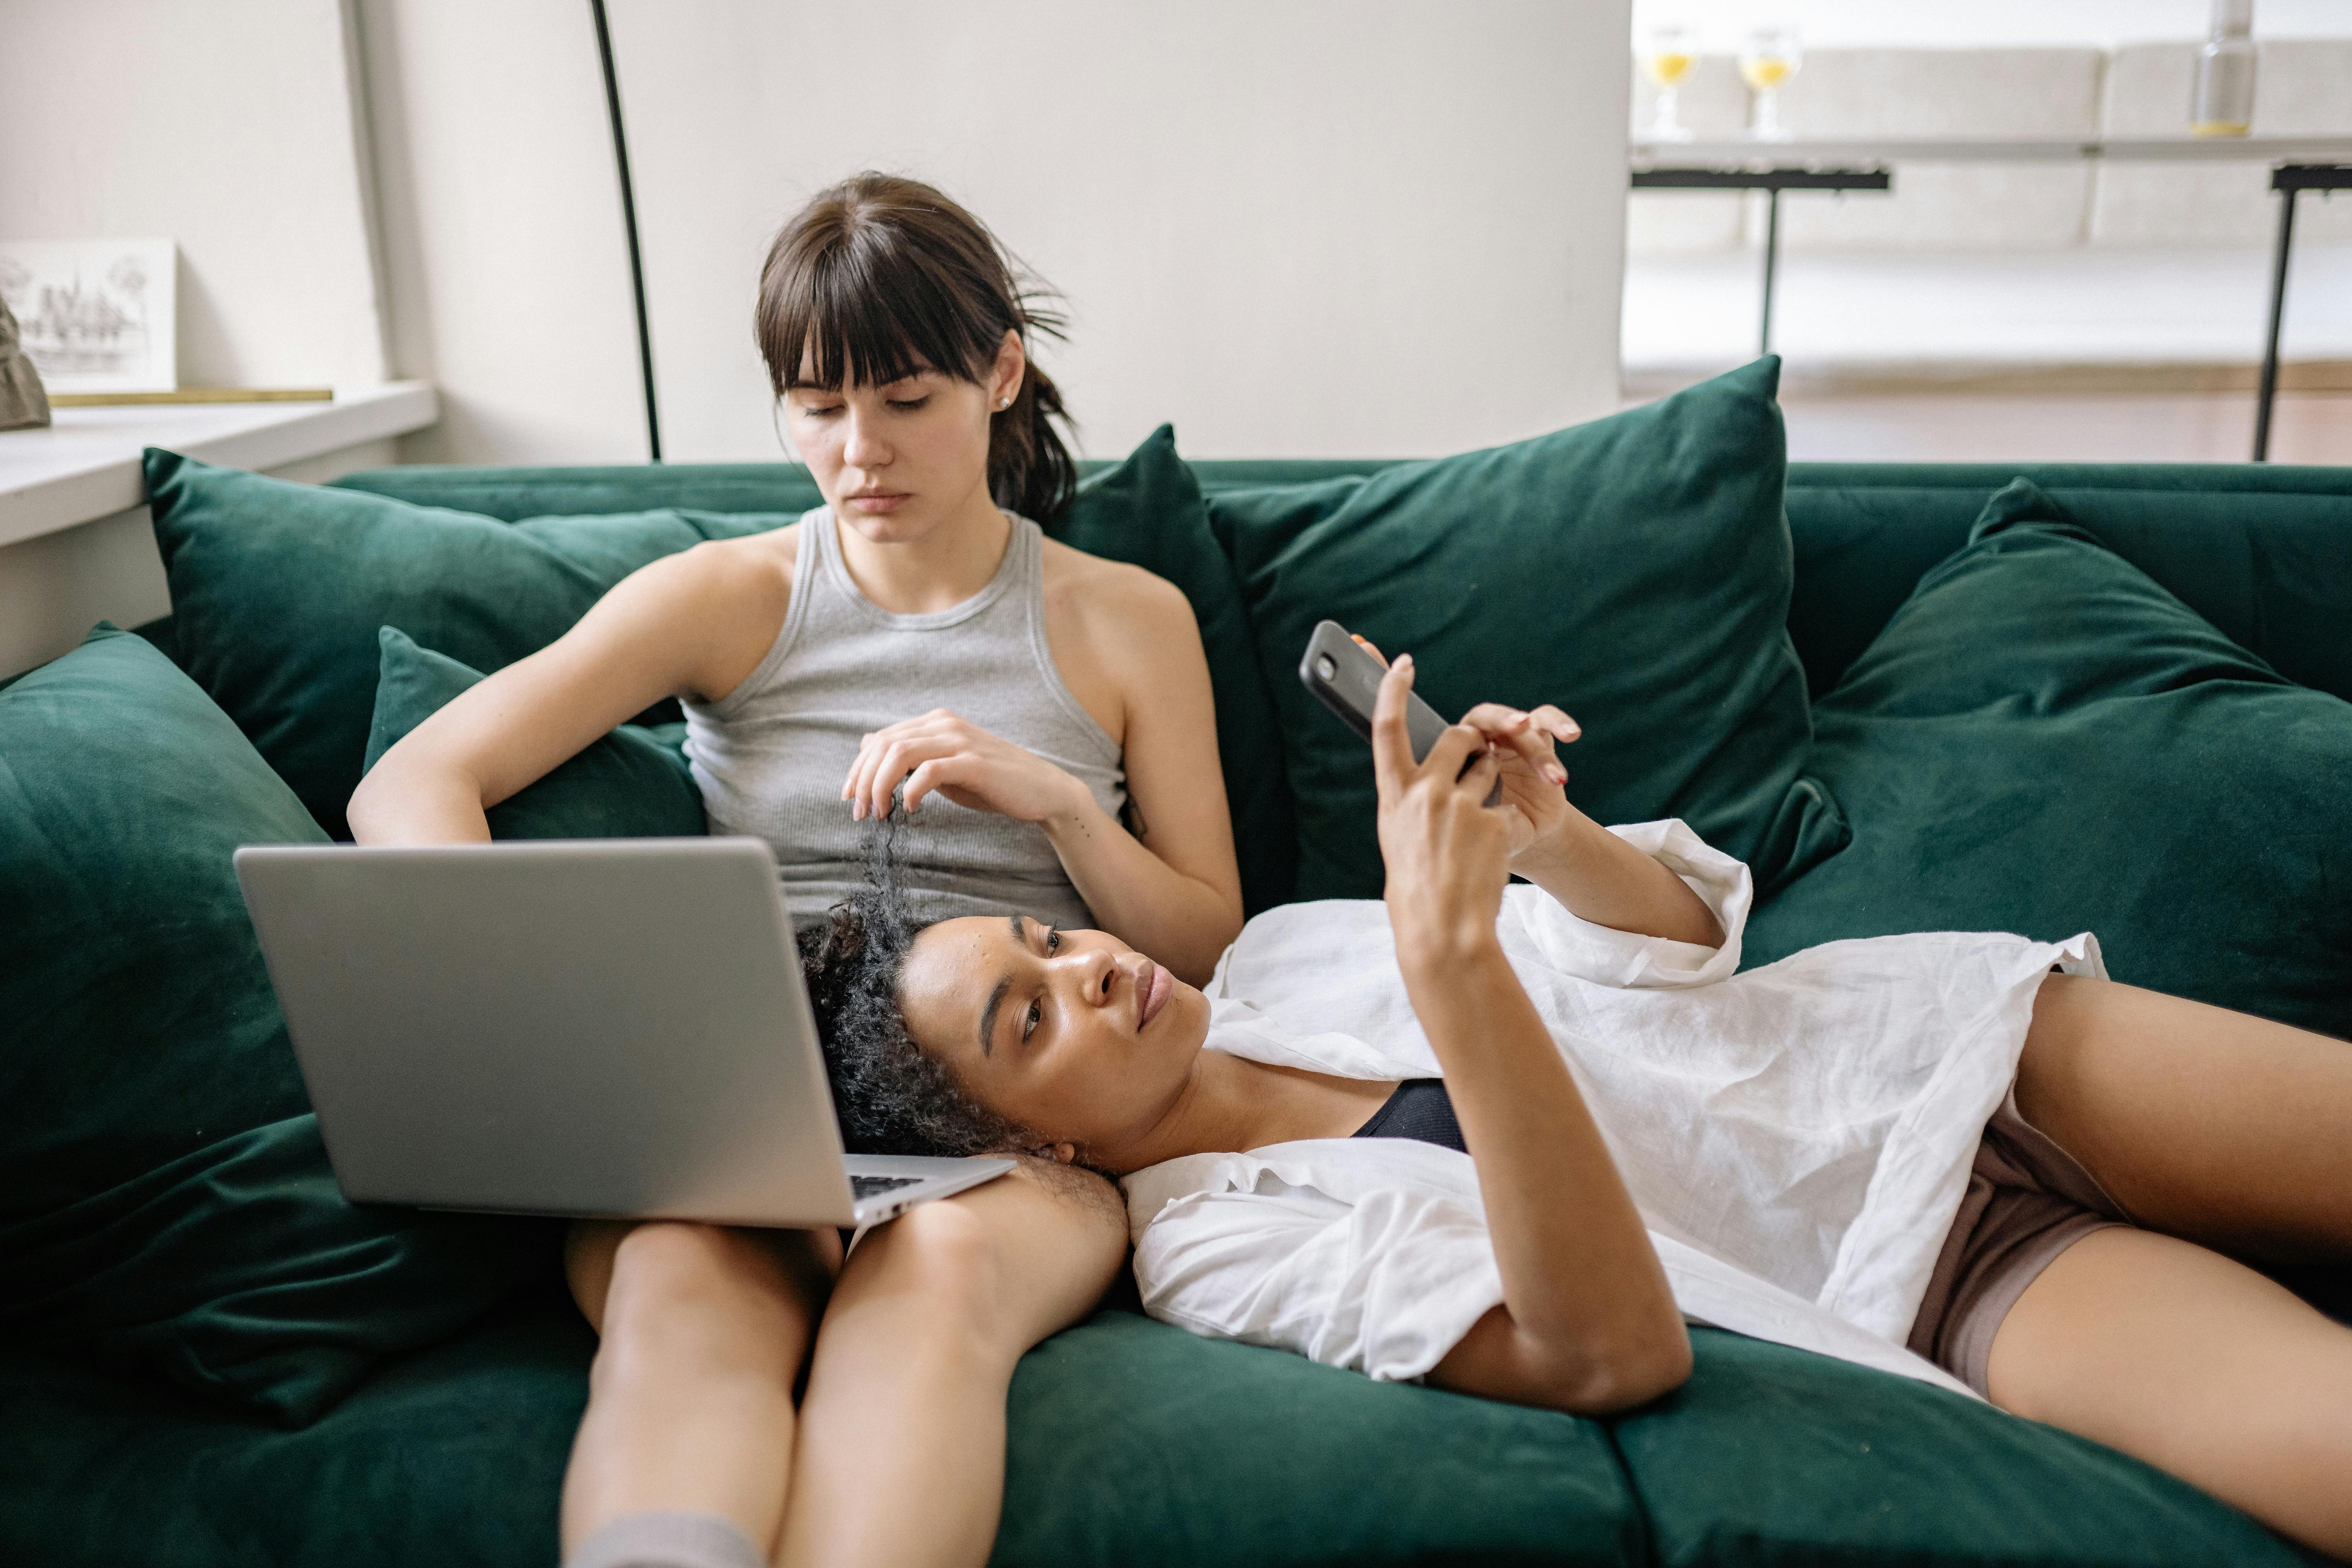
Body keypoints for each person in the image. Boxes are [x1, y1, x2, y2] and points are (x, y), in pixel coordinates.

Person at [809, 653, 2352, 1559]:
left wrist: (1550, 838)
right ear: (1038, 1144)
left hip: (1947, 1047)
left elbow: (1675, 951)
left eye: (1053, 939)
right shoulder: (1211, 1251)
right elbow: (1609, 1346)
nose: (1087, 972)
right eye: (1031, 1018)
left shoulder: (1283, 951)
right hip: (1930, 1273)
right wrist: (1457, 967)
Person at [350, 173, 1243, 1568]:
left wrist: (1063, 808)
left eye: (904, 400)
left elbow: (1205, 938)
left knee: (935, 1282)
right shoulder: (730, 598)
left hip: (1015, 1114)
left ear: (1001, 372)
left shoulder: (1128, 623)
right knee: (676, 1286)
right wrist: (524, 995)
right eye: (818, 406)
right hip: (751, 1094)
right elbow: (412, 782)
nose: (857, 453)